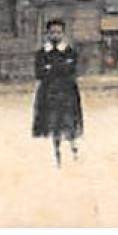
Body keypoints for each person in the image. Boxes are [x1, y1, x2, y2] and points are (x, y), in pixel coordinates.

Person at [32, 19, 83, 166]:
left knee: (69, 121)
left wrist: (52, 68)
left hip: (67, 92)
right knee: (53, 123)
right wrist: (59, 67)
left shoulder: (70, 52)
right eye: (52, 32)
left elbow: (71, 70)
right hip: (49, 93)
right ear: (47, 34)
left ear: (63, 34)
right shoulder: (41, 53)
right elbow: (39, 73)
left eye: (58, 32)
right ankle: (57, 153)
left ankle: (74, 150)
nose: (55, 35)